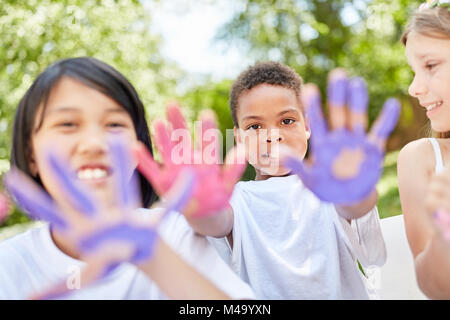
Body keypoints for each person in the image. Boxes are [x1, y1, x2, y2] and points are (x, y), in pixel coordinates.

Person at [0, 57, 255, 300]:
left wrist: (154, 256)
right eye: (67, 124)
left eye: (114, 125)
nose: (94, 143)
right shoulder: (9, 264)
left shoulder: (172, 234)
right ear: (30, 154)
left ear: (138, 150)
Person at [141, 61, 400, 299]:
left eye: (287, 121)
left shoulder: (329, 185)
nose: (272, 135)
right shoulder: (234, 199)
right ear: (239, 138)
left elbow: (364, 234)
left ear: (307, 126)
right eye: (255, 127)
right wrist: (199, 208)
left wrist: (354, 193)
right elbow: (216, 222)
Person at [397, 0, 450, 299]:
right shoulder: (421, 157)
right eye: (413, 71)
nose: (413, 88)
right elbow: (433, 287)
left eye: (430, 65)